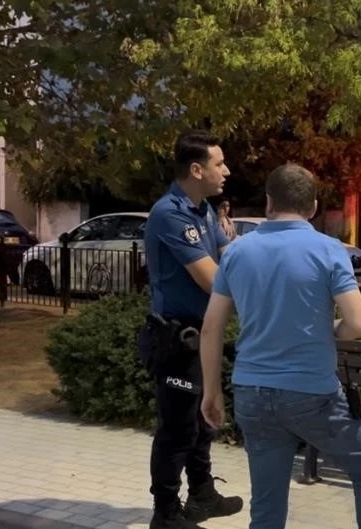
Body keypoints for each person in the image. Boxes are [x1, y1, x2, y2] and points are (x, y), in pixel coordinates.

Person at [198, 162, 361, 529]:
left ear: (269, 202)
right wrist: (329, 329)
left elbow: (211, 329)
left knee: (267, 507)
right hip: (312, 394)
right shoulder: (329, 250)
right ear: (313, 207)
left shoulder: (237, 252)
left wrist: (212, 392)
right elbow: (359, 324)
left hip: (252, 391)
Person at [137, 129, 244, 529]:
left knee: (202, 421)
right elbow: (212, 279)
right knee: (177, 428)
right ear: (197, 170)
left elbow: (230, 256)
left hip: (203, 334)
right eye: (220, 163)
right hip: (176, 338)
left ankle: (202, 495)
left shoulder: (204, 212)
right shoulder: (170, 213)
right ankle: (165, 512)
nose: (226, 171)